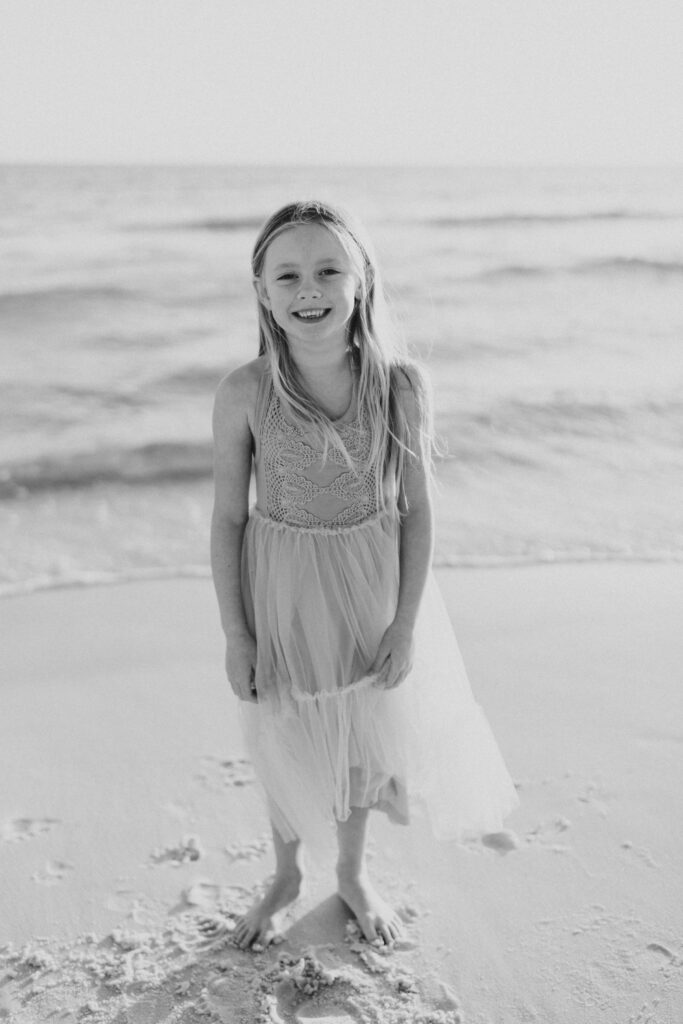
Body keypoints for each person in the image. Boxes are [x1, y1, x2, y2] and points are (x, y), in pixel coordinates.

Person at [210, 200, 518, 951]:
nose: (307, 288)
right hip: (280, 586)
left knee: (357, 736)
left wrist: (405, 623)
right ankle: (284, 874)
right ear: (262, 292)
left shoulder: (400, 386)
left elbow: (417, 510)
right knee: (284, 727)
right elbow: (227, 519)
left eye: (326, 270)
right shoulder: (246, 392)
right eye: (287, 274)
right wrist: (236, 632)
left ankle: (349, 871)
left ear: (361, 282)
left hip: (369, 583)